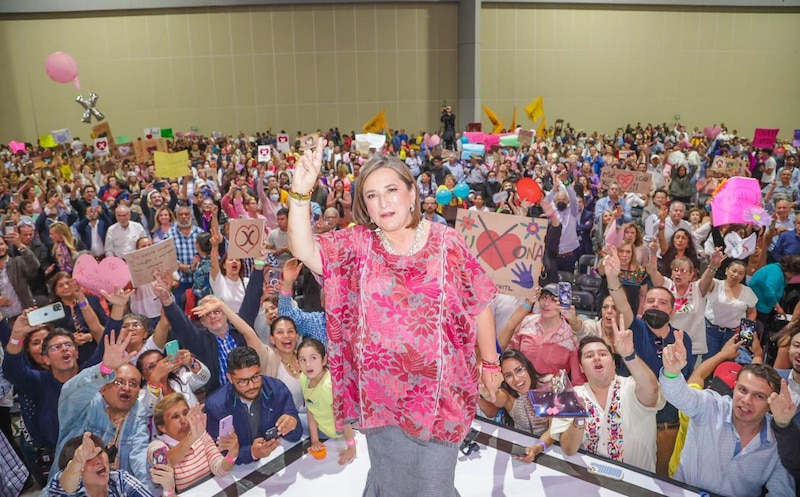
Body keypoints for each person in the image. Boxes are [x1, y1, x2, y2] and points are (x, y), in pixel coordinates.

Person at [286, 142, 501, 496]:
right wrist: (301, 193)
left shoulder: (447, 242)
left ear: (412, 193)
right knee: (392, 485)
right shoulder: (357, 245)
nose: (383, 202)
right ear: (364, 205)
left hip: (441, 399)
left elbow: (480, 300)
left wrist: (490, 363)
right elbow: (304, 250)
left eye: (391, 190)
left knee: (433, 487)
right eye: (372, 195)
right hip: (381, 399)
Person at [660, 334, 796, 496]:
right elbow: (679, 395)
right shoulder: (710, 405)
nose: (746, 400)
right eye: (743, 390)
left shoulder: (778, 440)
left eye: (758, 396)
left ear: (770, 404)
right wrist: (672, 373)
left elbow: (782, 491)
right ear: (735, 387)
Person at [603, 245, 694, 476]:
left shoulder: (682, 340)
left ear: (673, 311)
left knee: (661, 478)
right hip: (631, 420)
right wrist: (613, 278)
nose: (655, 305)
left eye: (662, 302)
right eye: (650, 301)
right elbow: (621, 302)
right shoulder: (635, 328)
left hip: (665, 426)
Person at [551, 320, 665, 473]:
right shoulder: (571, 396)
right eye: (589, 356)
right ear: (581, 368)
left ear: (613, 363)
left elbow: (651, 391)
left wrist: (629, 355)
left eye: (603, 354)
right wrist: (579, 418)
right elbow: (568, 449)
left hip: (636, 483)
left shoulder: (632, 387)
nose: (596, 358)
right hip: (590, 481)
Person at [54, 330, 152, 487]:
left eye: (133, 384)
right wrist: (104, 369)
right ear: (103, 388)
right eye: (119, 382)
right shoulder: (84, 407)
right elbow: (70, 391)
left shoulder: (137, 412)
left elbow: (140, 457)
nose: (127, 388)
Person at [204, 346, 302, 464]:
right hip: (236, 474)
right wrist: (251, 453)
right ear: (230, 378)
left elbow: (296, 435)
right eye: (243, 381)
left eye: (255, 377)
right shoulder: (216, 406)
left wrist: (293, 424)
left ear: (260, 371)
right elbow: (220, 457)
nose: (251, 386)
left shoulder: (277, 389)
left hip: (275, 459)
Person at [498, 284, 585, 385]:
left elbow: (577, 379)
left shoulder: (571, 336)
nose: (546, 303)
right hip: (520, 387)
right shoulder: (526, 322)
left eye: (553, 300)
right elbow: (511, 355)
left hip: (551, 394)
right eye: (544, 297)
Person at [147, 394, 237, 492]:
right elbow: (165, 464)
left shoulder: (200, 434)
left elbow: (220, 470)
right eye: (175, 417)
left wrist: (232, 454)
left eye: (185, 413)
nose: (183, 420)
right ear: (162, 427)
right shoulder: (156, 447)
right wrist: (192, 438)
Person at [481, 349, 554, 462]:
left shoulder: (548, 386)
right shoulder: (508, 394)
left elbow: (554, 430)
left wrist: (537, 448)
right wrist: (487, 392)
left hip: (552, 450)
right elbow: (497, 398)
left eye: (519, 370)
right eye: (508, 375)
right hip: (521, 449)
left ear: (528, 366)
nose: (516, 379)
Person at [50, 432, 175, 497]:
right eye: (88, 459)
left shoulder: (119, 480)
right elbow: (66, 486)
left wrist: (168, 489)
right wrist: (77, 461)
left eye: (99, 453)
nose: (98, 460)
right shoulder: (64, 488)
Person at [298, 338, 356, 465]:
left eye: (313, 358)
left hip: (331, 431)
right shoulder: (303, 378)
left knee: (294, 417)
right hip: (318, 421)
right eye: (303, 360)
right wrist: (314, 440)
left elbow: (344, 420)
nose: (308, 364)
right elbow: (310, 409)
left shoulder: (329, 387)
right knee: (299, 411)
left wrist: (352, 448)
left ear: (324, 360)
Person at [703, 258, 758, 359]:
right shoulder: (715, 284)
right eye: (734, 271)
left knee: (727, 363)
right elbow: (704, 282)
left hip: (733, 334)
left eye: (741, 273)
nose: (736, 275)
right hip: (711, 331)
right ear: (726, 270)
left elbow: (752, 312)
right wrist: (712, 266)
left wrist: (744, 331)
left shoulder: (748, 292)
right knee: (708, 360)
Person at [0, 231, 40, 320]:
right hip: (3, 321)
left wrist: (19, 245)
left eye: (1, 244)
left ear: (6, 246)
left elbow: (34, 265)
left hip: (25, 315)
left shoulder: (17, 262)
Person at [209, 227, 249, 313]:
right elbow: (213, 265)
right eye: (231, 260)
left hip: (244, 321)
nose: (234, 261)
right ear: (224, 265)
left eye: (237, 260)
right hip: (226, 322)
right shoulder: (219, 280)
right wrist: (215, 246)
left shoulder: (246, 282)